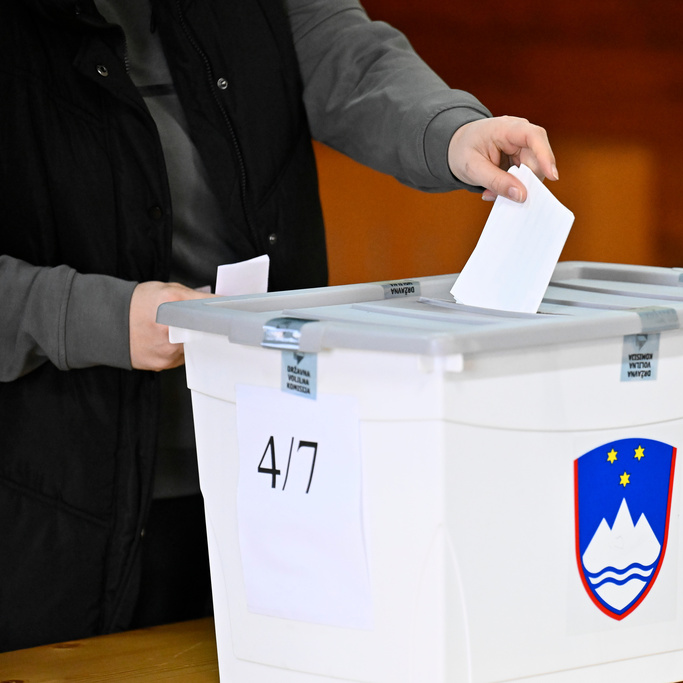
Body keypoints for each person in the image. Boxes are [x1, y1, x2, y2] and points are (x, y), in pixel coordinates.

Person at [0, 0, 558, 652]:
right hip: (49, 507)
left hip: (272, 474)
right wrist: (89, 318)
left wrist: (451, 133)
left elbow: (346, 56)